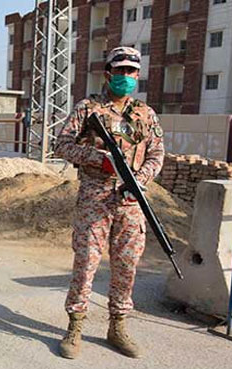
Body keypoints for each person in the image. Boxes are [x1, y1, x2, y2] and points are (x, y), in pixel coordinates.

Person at [54, 46, 164, 360]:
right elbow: (62, 144)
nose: (125, 77)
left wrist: (139, 180)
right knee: (86, 264)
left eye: (131, 71)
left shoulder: (145, 113)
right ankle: (75, 327)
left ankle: (117, 327)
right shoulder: (88, 108)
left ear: (138, 75)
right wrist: (96, 158)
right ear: (108, 73)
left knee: (126, 267)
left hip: (130, 203)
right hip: (95, 201)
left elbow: (157, 154)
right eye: (120, 71)